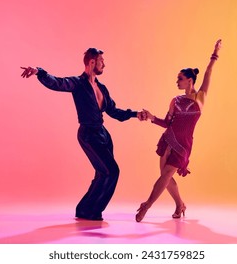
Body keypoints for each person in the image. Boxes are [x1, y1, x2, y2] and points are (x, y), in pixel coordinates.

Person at [21, 48, 146, 221]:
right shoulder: (78, 83)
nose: (104, 64)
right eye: (102, 61)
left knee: (102, 173)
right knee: (112, 171)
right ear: (92, 62)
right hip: (88, 134)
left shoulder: (102, 87)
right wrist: (39, 72)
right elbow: (57, 83)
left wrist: (135, 114)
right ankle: (93, 211)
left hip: (103, 134)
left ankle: (84, 209)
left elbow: (114, 111)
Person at [135, 39, 222, 222]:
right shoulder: (175, 100)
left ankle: (147, 205)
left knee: (166, 175)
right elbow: (167, 123)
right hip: (168, 140)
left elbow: (208, 72)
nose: (177, 81)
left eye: (180, 79)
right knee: (165, 178)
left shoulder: (201, 97)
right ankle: (180, 204)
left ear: (190, 80)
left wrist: (215, 54)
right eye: (177, 79)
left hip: (183, 145)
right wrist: (151, 117)